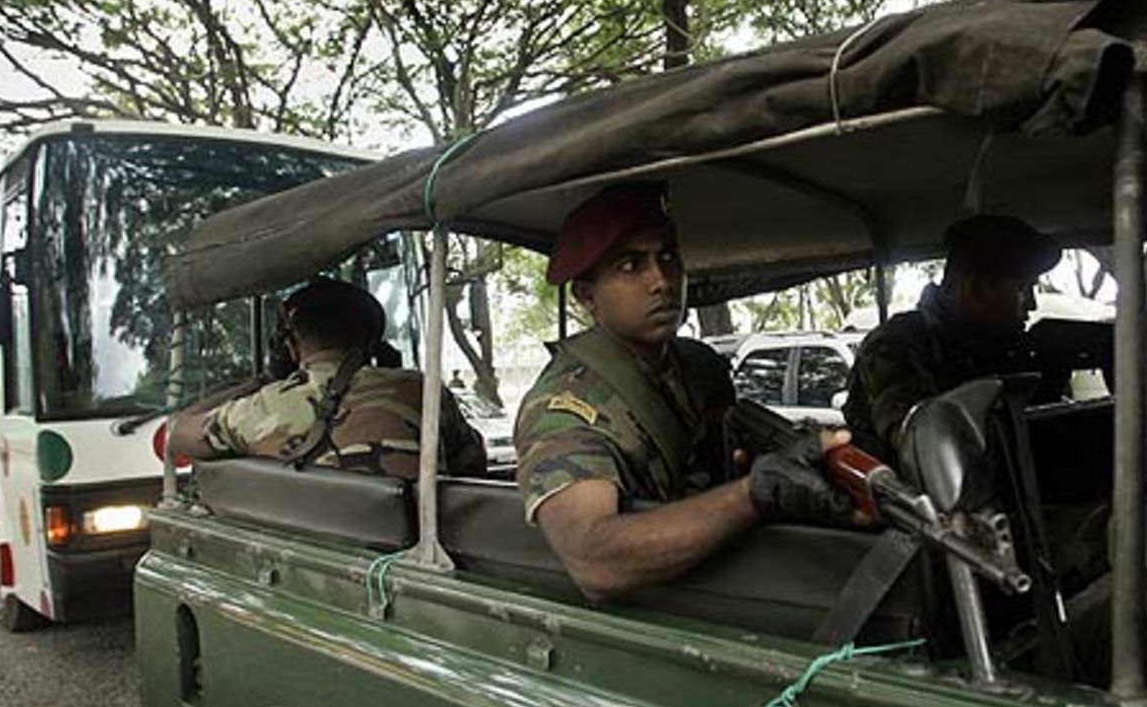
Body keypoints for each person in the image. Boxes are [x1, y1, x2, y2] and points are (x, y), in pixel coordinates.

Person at [513, 183, 861, 602]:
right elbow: (594, 560)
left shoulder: (699, 367)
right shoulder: (564, 407)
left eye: (668, 258)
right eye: (630, 265)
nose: (661, 281)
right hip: (651, 613)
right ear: (587, 296)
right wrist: (752, 494)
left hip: (731, 583)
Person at [170, 278, 486, 480]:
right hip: (409, 557)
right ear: (372, 341)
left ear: (289, 346)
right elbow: (472, 464)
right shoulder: (420, 391)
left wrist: (263, 380)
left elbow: (177, 433)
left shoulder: (262, 407)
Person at [842, 214, 1061, 463]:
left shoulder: (989, 346)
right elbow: (924, 447)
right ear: (976, 289)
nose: (1031, 305)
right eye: (1022, 289)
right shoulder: (898, 344)